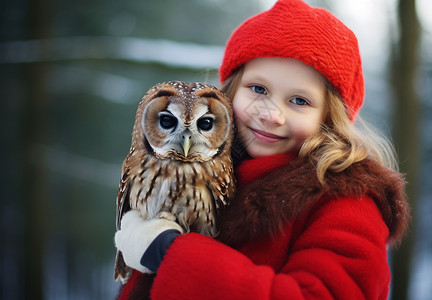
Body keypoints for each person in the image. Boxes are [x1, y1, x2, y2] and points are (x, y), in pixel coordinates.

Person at [114, 0, 410, 299]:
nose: (271, 114)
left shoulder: (347, 201)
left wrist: (170, 254)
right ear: (229, 91)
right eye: (258, 89)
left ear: (329, 118)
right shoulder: (204, 165)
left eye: (299, 101)